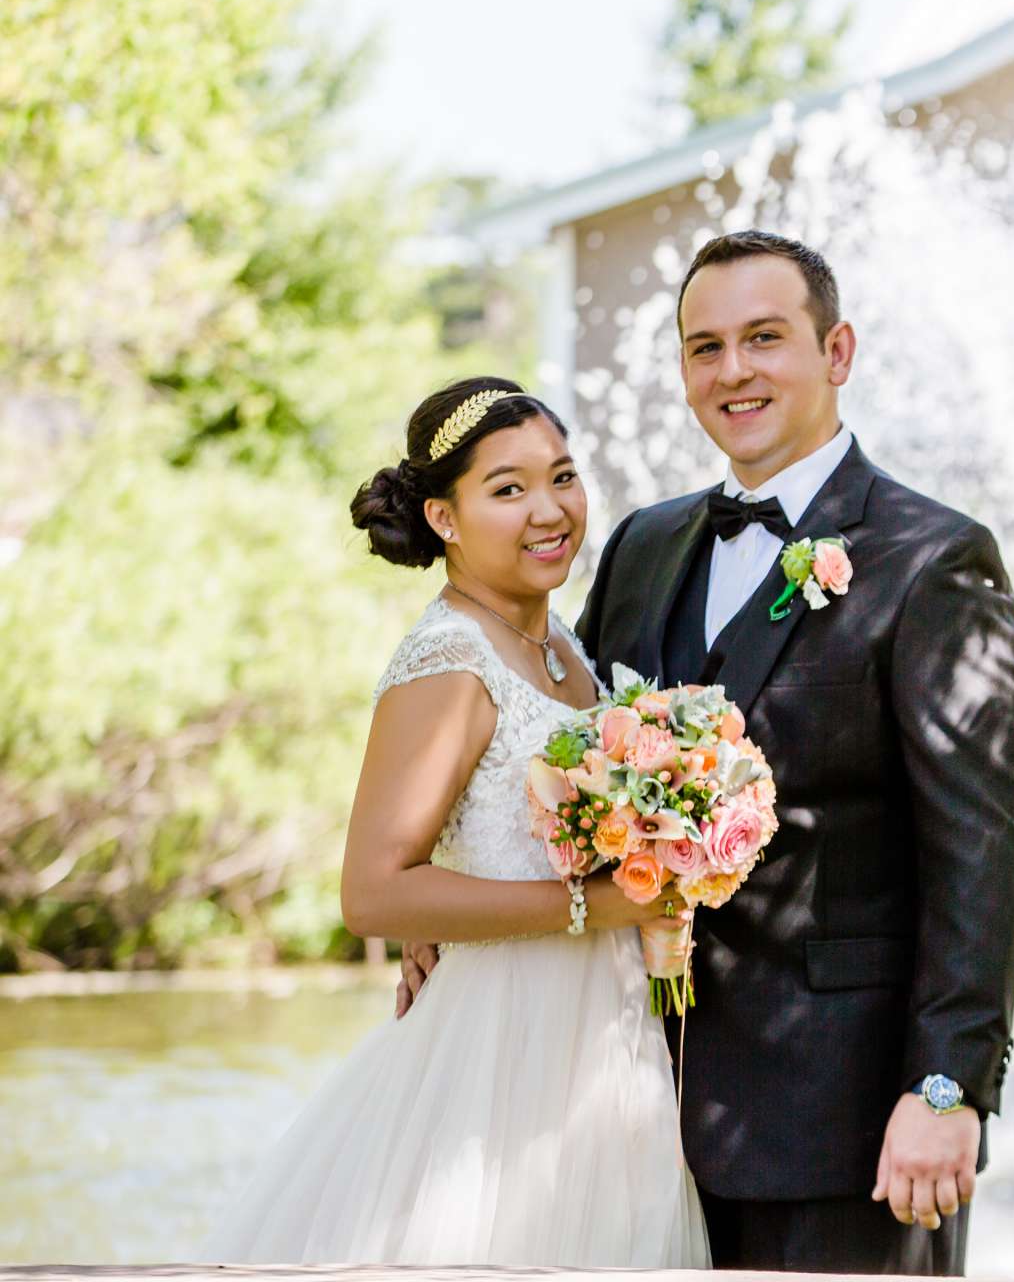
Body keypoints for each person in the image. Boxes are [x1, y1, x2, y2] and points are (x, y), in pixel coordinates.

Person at [400, 231, 1014, 1275]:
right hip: (617, 1107)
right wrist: (444, 906)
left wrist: (947, 1089)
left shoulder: (935, 559)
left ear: (836, 351)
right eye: (704, 347)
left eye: (764, 338)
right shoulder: (644, 546)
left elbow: (989, 851)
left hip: (841, 1122)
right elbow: (551, 746)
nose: (732, 370)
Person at [204, 376, 708, 1265]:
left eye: (562, 476)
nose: (549, 510)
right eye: (507, 490)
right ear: (444, 517)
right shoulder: (448, 661)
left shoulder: (563, 648)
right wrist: (597, 906)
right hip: (502, 1053)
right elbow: (372, 892)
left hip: (602, 1043)